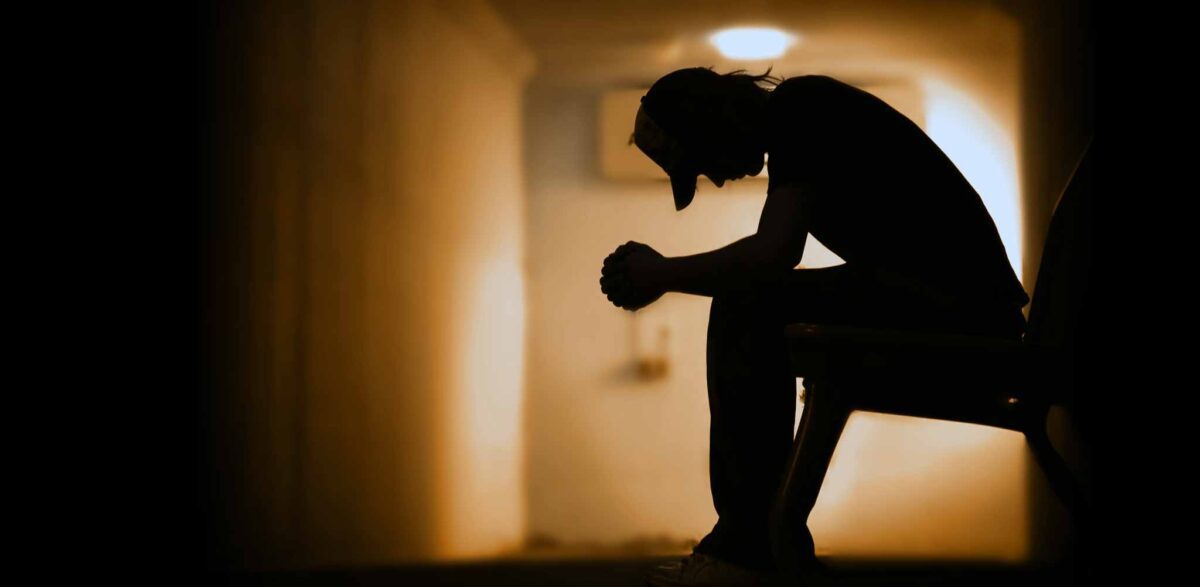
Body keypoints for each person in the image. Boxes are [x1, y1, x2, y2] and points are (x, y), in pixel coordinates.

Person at [599, 67, 1029, 587]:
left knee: (748, 302)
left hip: (970, 322)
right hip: (964, 314)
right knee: (754, 300)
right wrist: (662, 275)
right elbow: (776, 259)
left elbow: (772, 255)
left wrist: (659, 273)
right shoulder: (800, 115)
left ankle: (746, 552)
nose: (712, 179)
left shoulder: (802, 108)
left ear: (711, 121)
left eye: (698, 162)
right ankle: (760, 543)